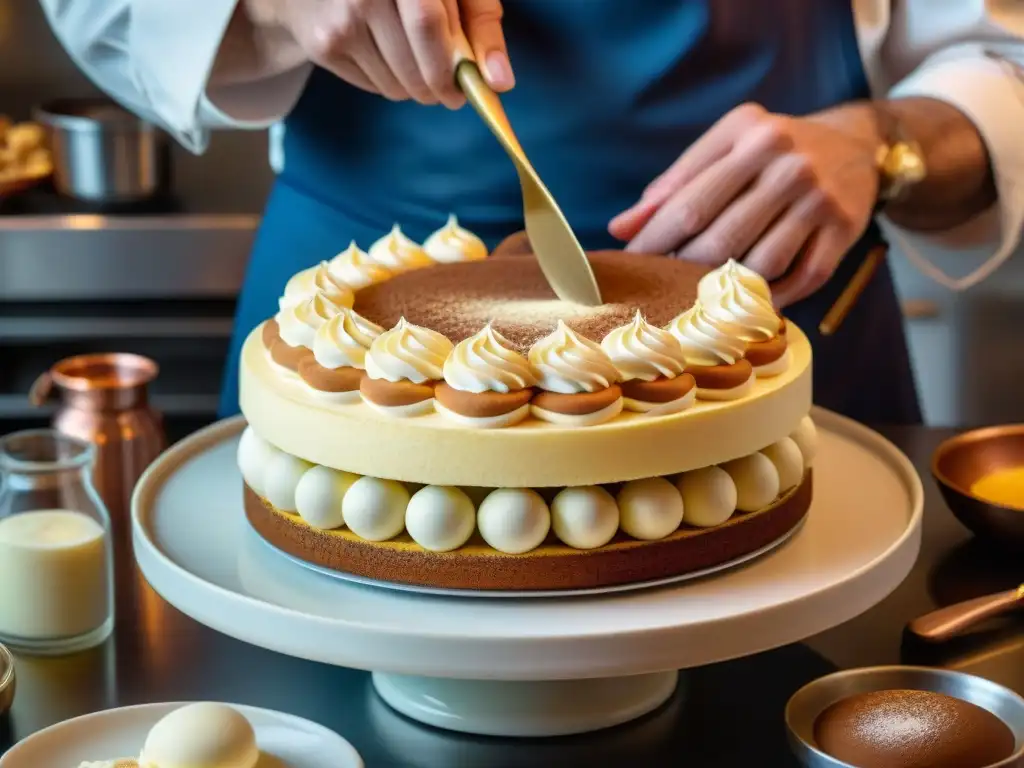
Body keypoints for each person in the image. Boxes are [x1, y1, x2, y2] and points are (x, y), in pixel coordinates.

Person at [42, 1, 1024, 424]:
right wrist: (270, 10)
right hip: (356, 350)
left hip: (778, 345)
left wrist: (886, 142)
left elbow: (1002, 56)